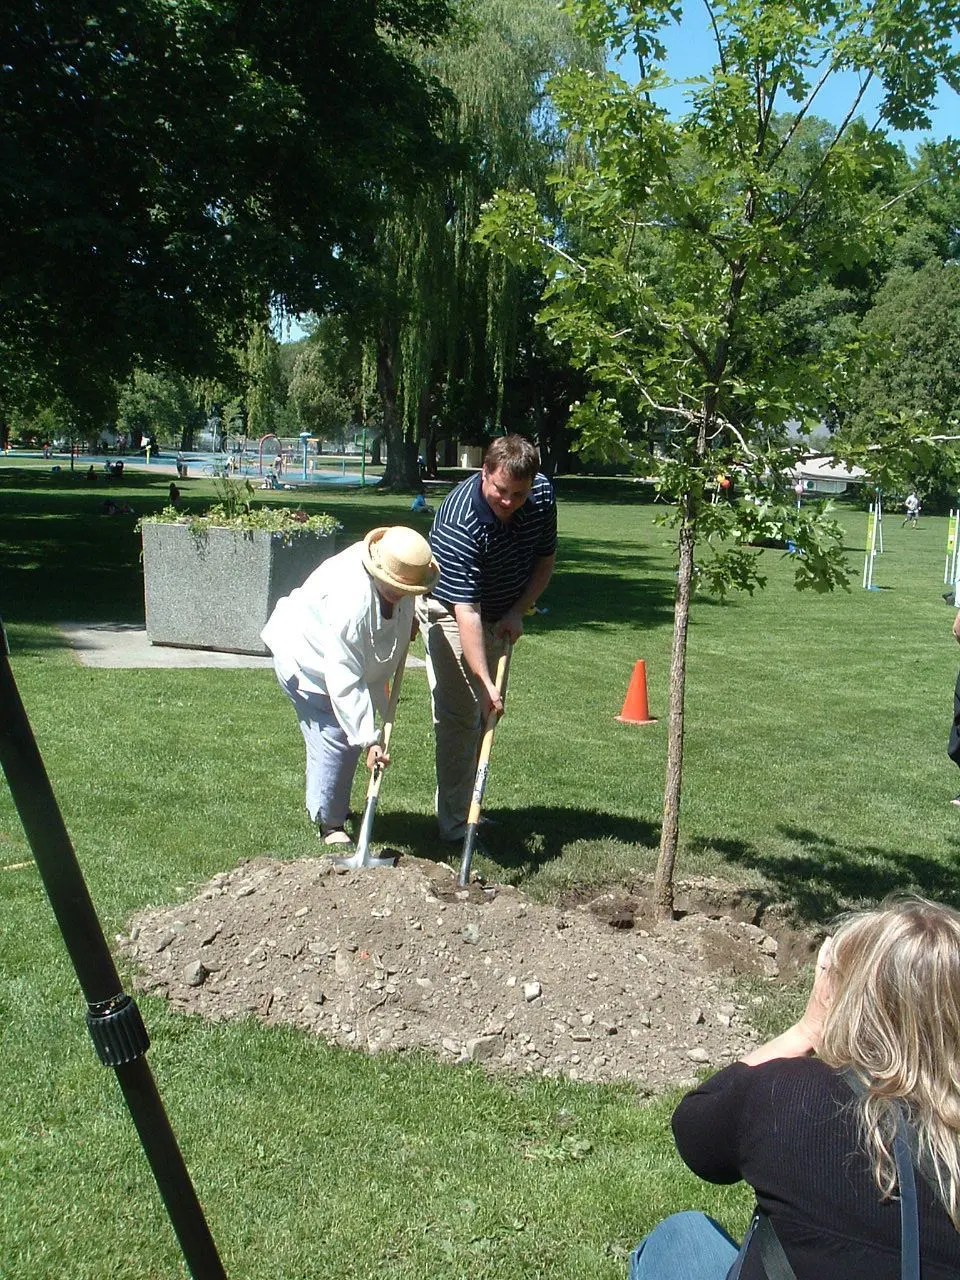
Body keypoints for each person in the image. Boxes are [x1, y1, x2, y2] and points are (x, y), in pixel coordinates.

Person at [628, 897, 960, 1280]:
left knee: (680, 1236)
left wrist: (809, 1029)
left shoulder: (794, 1097)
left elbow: (695, 1131)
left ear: (855, 998)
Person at [261, 526, 439, 849]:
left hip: (337, 662)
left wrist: (404, 621)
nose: (401, 593)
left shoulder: (398, 569)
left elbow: (392, 612)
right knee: (336, 739)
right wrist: (369, 741)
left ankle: (325, 806)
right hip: (306, 661)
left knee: (338, 737)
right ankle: (330, 824)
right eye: (397, 588)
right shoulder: (351, 603)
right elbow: (343, 680)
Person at [417, 435, 556, 844]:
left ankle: (469, 808)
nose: (509, 501)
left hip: (501, 610)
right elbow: (467, 613)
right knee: (462, 716)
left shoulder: (542, 495)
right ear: (484, 473)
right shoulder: (460, 523)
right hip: (451, 611)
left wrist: (518, 610)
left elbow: (545, 560)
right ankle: (456, 824)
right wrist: (483, 681)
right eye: (500, 490)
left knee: (485, 717)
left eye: (518, 493)